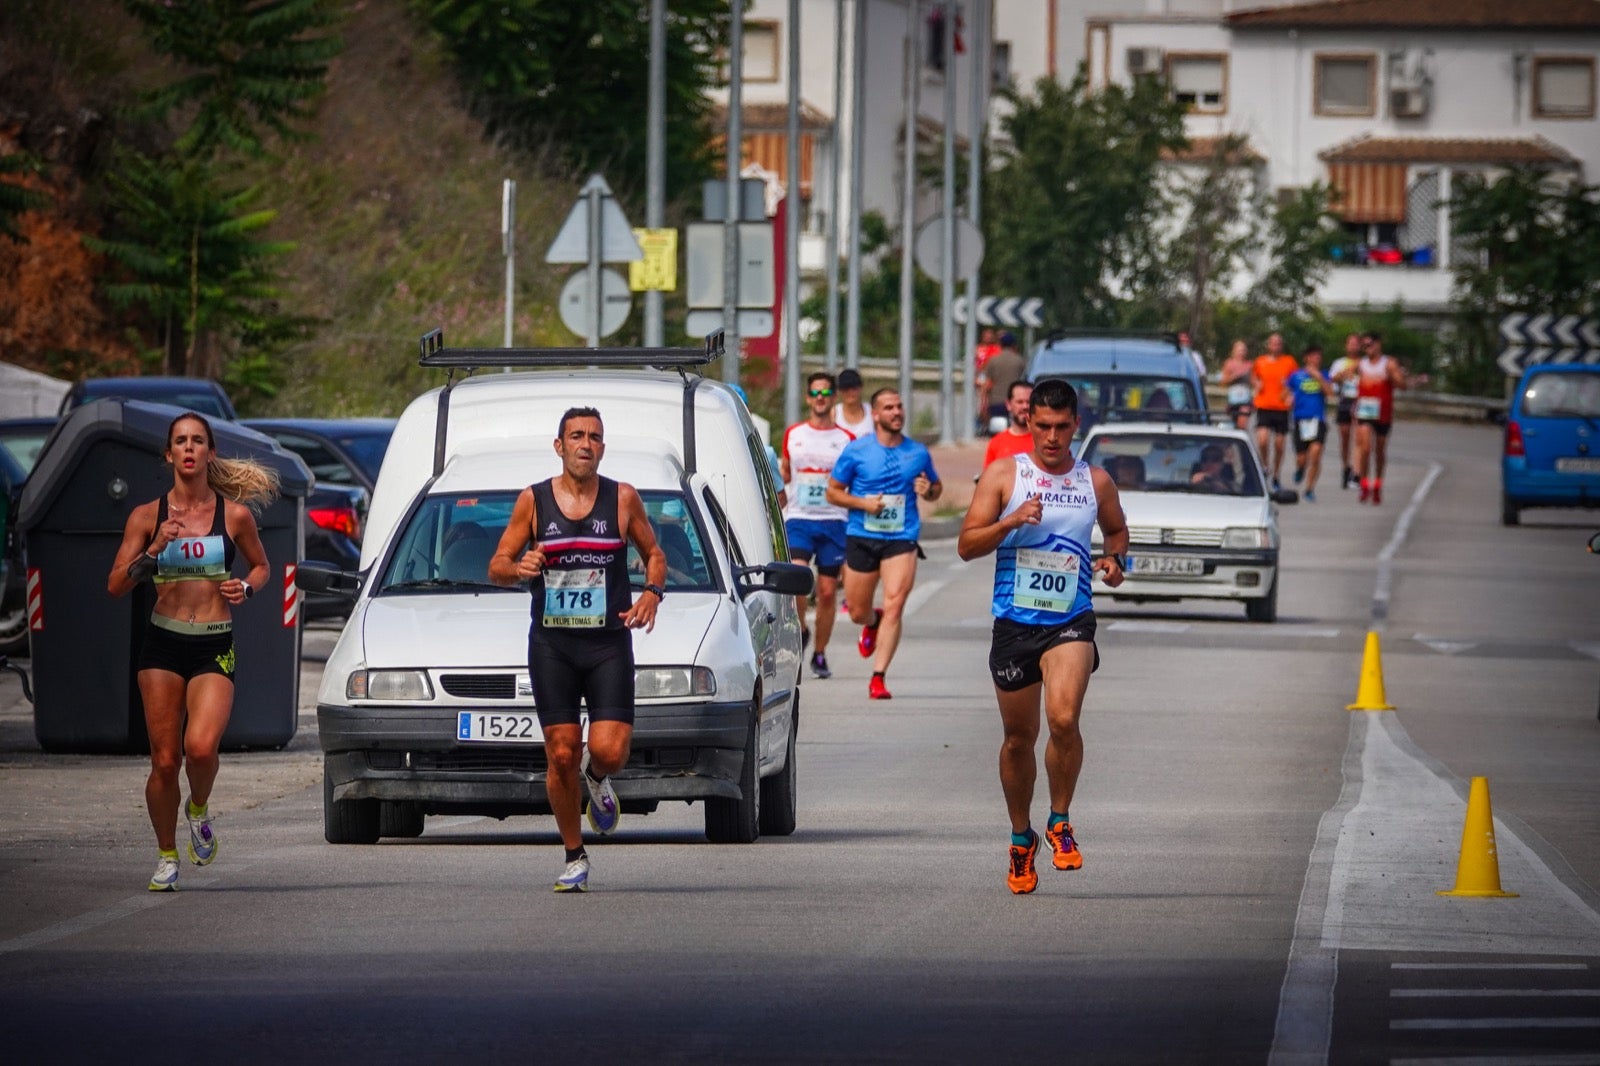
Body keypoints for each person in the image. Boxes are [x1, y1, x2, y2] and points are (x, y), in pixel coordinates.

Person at [957, 378, 1129, 895]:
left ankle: (1059, 820)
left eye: (1062, 427)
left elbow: (1118, 531)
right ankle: (1020, 836)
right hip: (1014, 623)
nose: (1052, 437)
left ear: (1076, 424)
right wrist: (1009, 521)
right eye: (1043, 426)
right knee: (1018, 740)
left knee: (1064, 718)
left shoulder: (1094, 481)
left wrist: (1116, 561)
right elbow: (966, 545)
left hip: (1070, 618)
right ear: (1028, 421)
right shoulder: (1005, 475)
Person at [488, 407, 667, 893]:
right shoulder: (534, 500)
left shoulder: (622, 497)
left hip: (608, 642)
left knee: (609, 751)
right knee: (560, 753)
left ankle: (598, 776)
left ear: (602, 448)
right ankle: (574, 855)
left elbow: (654, 553)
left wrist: (652, 593)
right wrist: (518, 566)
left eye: (594, 437)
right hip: (553, 643)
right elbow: (497, 564)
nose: (585, 444)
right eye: (576, 436)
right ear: (559, 445)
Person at [107, 413, 275, 892]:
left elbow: (262, 567)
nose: (188, 448)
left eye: (197, 441)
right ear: (168, 455)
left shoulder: (234, 515)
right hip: (162, 642)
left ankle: (198, 807)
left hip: (213, 644)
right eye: (179, 441)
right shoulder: (146, 516)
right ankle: (165, 855)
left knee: (200, 749)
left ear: (210, 453)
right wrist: (154, 548)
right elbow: (116, 585)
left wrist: (245, 585)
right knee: (164, 761)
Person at [825, 388, 942, 700]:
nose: (897, 412)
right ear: (875, 414)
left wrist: (928, 489)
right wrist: (862, 504)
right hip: (862, 535)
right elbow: (833, 492)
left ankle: (878, 677)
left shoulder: (917, 452)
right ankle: (871, 622)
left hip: (901, 538)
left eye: (900, 406)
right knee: (857, 611)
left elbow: (935, 489)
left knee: (896, 605)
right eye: (889, 408)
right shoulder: (856, 451)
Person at [781, 372, 855, 679]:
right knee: (798, 580)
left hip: (834, 520)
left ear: (833, 397)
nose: (821, 397)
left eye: (826, 391)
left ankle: (820, 653)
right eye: (815, 392)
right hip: (799, 517)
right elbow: (785, 472)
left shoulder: (846, 440)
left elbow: (854, 480)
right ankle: (800, 629)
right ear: (808, 398)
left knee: (826, 592)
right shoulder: (794, 433)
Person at [1350, 331, 1409, 505]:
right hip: (1366, 411)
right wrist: (1342, 377)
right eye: (1365, 346)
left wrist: (1394, 377)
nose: (1368, 349)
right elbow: (1341, 376)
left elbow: (1403, 385)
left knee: (1380, 452)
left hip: (1383, 413)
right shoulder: (1361, 364)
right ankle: (1364, 484)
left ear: (1378, 344)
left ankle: (1377, 485)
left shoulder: (1388, 363)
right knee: (1366, 448)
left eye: (1370, 345)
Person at [1251, 333, 1298, 491]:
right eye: (1273, 343)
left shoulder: (1289, 362)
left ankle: (1277, 474)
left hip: (1281, 407)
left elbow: (1296, 381)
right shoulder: (1261, 362)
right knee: (1263, 440)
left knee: (1279, 444)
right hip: (1264, 405)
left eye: (1278, 343)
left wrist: (1292, 395)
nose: (1276, 346)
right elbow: (1254, 378)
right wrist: (1257, 385)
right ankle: (1265, 465)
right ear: (1268, 345)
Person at [1287, 344, 1332, 501]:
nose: (1316, 359)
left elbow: (1330, 393)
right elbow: (1285, 394)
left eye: (1319, 356)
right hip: (1300, 419)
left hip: (1317, 419)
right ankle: (1300, 469)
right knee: (1302, 458)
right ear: (1306, 358)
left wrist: (1318, 377)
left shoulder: (1324, 374)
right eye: (1313, 356)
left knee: (1315, 455)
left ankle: (1310, 488)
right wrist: (1289, 398)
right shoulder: (1296, 375)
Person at [1327, 333, 1362, 490]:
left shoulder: (1364, 363)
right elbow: (1332, 380)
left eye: (1356, 344)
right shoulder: (1339, 363)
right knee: (1345, 437)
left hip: (1359, 401)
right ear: (1346, 346)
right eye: (1350, 344)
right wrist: (1344, 374)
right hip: (1344, 400)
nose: (1353, 346)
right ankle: (1345, 467)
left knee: (1359, 438)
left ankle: (1356, 472)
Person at [978, 332, 1027, 431]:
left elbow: (986, 384)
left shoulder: (993, 361)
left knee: (996, 433)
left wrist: (983, 405)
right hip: (1014, 403)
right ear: (1014, 345)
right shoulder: (1020, 361)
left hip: (996, 403)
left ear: (1000, 345)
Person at [982, 380, 1034, 467]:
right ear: (1008, 404)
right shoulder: (996, 443)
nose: (1025, 406)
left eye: (1029, 402)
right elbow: (988, 478)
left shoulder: (1044, 441)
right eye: (1020, 402)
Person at [1219, 340, 1254, 431]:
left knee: (1242, 423)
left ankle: (1241, 436)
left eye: (1243, 350)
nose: (1241, 353)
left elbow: (1254, 382)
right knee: (1232, 425)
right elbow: (1223, 382)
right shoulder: (1229, 363)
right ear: (1233, 351)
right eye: (1239, 350)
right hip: (1233, 399)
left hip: (1245, 399)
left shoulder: (1249, 365)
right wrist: (1233, 377)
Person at [832, 368, 873, 440]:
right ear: (839, 391)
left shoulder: (872, 411)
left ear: (861, 388)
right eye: (845, 389)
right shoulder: (833, 413)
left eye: (854, 388)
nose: (850, 392)